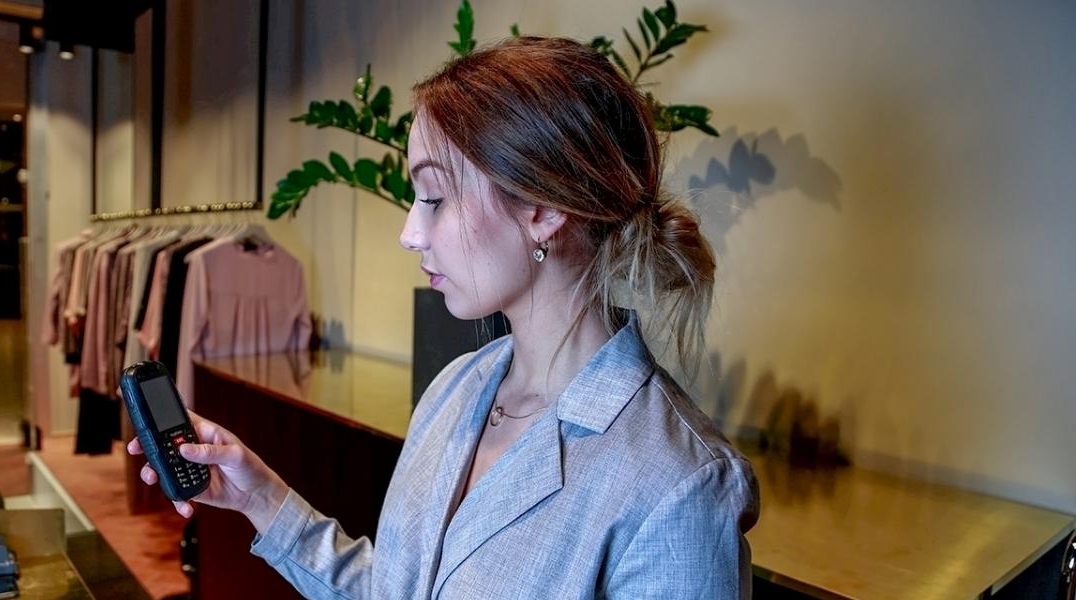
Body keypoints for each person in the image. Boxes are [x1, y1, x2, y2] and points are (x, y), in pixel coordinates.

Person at [129, 36, 759, 598]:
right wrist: (259, 497)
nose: (409, 232)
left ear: (542, 208)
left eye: (433, 196)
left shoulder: (679, 487)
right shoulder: (458, 389)